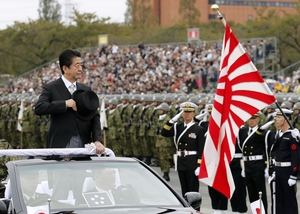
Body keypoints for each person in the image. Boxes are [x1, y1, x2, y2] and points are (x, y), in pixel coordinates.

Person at [35, 49, 105, 154]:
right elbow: (40, 108)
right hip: (60, 143)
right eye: (77, 65)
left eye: (81, 65)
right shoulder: (51, 87)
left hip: (84, 143)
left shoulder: (85, 90)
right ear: (65, 68)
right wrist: (64, 104)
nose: (80, 69)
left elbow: (94, 116)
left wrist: (97, 140)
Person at [161, 101, 205, 197]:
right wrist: (171, 121)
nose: (187, 114)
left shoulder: (198, 129)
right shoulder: (177, 127)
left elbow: (201, 148)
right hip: (181, 161)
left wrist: (199, 164)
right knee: (184, 189)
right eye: (185, 112)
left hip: (192, 162)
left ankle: (195, 210)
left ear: (194, 113)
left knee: (193, 189)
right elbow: (164, 133)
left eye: (190, 112)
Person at [272, 109, 299, 214]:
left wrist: (293, 174)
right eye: (276, 117)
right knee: (279, 200)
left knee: (289, 200)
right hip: (278, 170)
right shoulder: (279, 135)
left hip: (287, 171)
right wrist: (273, 170)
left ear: (286, 119)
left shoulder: (292, 135)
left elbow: (295, 156)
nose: (276, 120)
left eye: (279, 117)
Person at [240, 113, 268, 213]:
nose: (252, 121)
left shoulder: (263, 132)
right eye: (250, 119)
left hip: (258, 164)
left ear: (258, 120)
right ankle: (255, 211)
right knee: (251, 192)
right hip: (247, 165)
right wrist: (243, 166)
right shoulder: (243, 131)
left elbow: (266, 150)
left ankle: (263, 212)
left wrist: (266, 166)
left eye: (254, 118)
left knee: (260, 192)